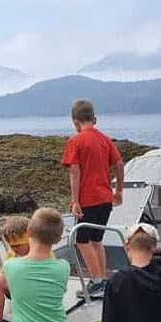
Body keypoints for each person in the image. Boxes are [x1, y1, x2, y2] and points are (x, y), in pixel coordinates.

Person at [61, 99, 124, 296]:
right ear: (94, 119)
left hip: (88, 199)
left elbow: (74, 171)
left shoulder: (76, 140)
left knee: (81, 240)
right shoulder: (105, 139)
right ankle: (103, 279)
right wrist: (119, 190)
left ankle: (96, 281)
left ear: (74, 121)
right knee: (97, 240)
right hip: (105, 197)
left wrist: (75, 200)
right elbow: (120, 164)